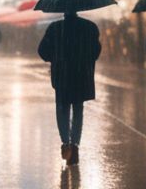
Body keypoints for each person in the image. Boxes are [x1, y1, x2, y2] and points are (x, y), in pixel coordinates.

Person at [38, 10, 101, 166]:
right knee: (78, 109)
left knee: (62, 108)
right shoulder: (90, 27)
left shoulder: (55, 28)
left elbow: (42, 51)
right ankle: (75, 145)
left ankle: (66, 143)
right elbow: (96, 51)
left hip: (62, 74)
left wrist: (55, 58)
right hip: (81, 74)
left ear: (64, 11)